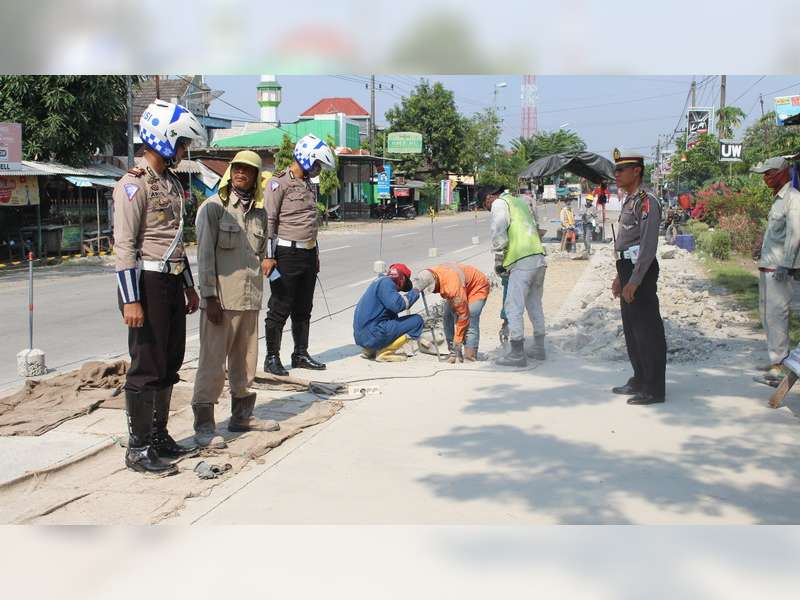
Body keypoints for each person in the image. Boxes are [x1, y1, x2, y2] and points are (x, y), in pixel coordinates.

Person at [113, 100, 205, 474]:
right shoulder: (132, 186)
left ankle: (158, 435)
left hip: (171, 280)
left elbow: (175, 243)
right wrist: (130, 300)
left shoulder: (168, 182)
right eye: (181, 143)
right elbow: (125, 246)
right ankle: (137, 449)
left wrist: (189, 287)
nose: (184, 151)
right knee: (145, 365)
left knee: (169, 361)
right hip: (146, 284)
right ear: (164, 139)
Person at [191, 151, 279, 448]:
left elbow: (260, 253)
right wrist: (209, 296)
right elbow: (204, 257)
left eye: (249, 170)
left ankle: (242, 416)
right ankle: (204, 426)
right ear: (230, 173)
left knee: (245, 364)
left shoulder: (259, 213)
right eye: (237, 168)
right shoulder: (212, 209)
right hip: (221, 302)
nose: (242, 173)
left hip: (249, 299)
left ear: (256, 177)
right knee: (212, 365)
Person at [261, 134, 336, 376]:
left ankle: (300, 353)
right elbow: (269, 221)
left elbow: (309, 222)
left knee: (304, 307)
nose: (318, 169)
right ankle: (272, 357)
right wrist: (269, 256)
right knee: (280, 307)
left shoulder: (308, 184)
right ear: (305, 158)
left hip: (307, 252)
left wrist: (314, 253)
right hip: (285, 253)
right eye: (316, 163)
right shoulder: (278, 183)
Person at [610, 148, 667, 405]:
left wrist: (634, 279)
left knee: (647, 330)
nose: (617, 174)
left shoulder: (647, 201)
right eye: (616, 170)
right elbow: (625, 243)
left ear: (636, 171)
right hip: (627, 267)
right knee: (632, 330)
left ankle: (654, 388)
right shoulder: (630, 201)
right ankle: (640, 378)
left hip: (640, 270)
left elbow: (647, 245)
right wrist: (620, 276)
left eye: (621, 170)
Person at [750, 157, 800, 386]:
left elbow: (795, 234)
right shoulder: (778, 199)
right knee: (768, 317)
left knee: (777, 318)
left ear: (783, 172)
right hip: (768, 266)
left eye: (769, 173)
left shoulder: (793, 198)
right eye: (764, 174)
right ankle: (775, 362)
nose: (766, 178)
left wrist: (786, 264)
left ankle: (780, 367)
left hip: (779, 270)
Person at [484, 187, 547, 367]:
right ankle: (539, 348)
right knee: (534, 303)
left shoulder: (499, 203)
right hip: (538, 257)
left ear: (489, 197)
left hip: (522, 260)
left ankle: (517, 353)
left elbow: (499, 233)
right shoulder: (520, 201)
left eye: (486, 205)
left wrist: (498, 257)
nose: (489, 209)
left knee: (513, 306)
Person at [413, 263, 490, 363]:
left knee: (470, 319)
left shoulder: (452, 289)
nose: (433, 292)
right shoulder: (430, 274)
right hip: (461, 285)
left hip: (477, 288)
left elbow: (463, 316)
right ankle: (453, 352)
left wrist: (458, 341)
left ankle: (470, 356)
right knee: (447, 316)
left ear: (435, 282)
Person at [353, 263, 424, 362]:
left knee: (392, 316)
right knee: (417, 321)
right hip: (373, 333)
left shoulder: (379, 282)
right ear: (402, 279)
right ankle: (385, 352)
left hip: (362, 336)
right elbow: (397, 305)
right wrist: (415, 292)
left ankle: (369, 350)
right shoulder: (387, 283)